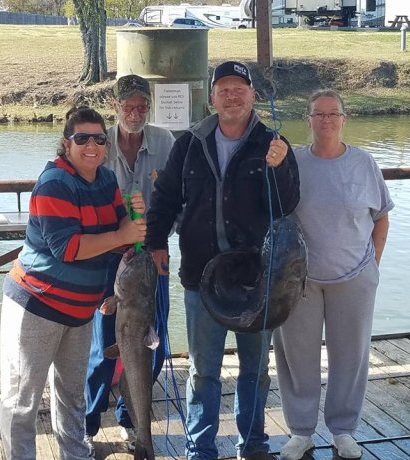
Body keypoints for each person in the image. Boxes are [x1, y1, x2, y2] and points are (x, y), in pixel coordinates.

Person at [145, 61, 300, 460]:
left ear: (252, 95)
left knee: (254, 371)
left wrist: (280, 167)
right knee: (203, 372)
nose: (231, 96)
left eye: (239, 88)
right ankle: (201, 448)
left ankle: (252, 443)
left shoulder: (274, 143)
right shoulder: (190, 142)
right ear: (211, 97)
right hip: (200, 277)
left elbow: (287, 205)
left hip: (255, 280)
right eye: (223, 89)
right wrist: (156, 242)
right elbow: (164, 199)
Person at [0, 106, 146, 460]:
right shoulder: (54, 183)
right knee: (22, 401)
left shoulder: (107, 180)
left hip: (81, 311)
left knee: (72, 395)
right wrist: (121, 232)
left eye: (99, 138)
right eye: (82, 139)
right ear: (66, 144)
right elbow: (67, 248)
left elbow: (123, 238)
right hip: (36, 305)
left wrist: (134, 219)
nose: (92, 145)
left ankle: (75, 455)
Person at [274, 89, 394, 460]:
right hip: (301, 281)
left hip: (355, 278)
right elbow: (274, 213)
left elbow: (381, 217)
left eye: (333, 114)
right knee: (296, 356)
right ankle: (301, 430)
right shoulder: (291, 162)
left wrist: (372, 264)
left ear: (344, 119)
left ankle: (344, 430)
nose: (326, 121)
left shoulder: (364, 163)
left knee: (351, 355)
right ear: (307, 120)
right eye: (318, 114)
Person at [84, 74, 176, 454]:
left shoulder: (165, 141)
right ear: (115, 107)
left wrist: (158, 242)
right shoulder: (97, 143)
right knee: (103, 346)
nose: (136, 112)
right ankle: (87, 425)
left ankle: (129, 420)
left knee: (151, 343)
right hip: (109, 255)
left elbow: (175, 200)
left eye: (142, 106)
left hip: (152, 254)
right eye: (128, 106)